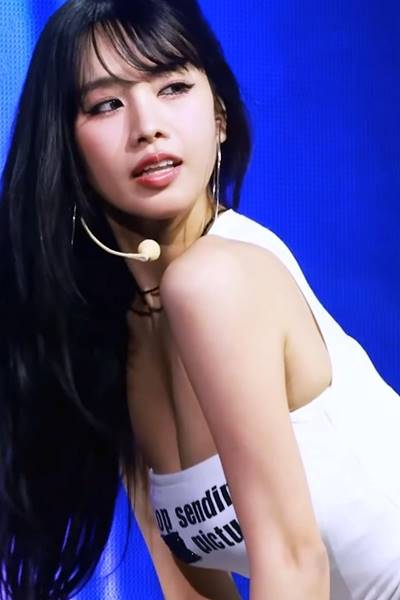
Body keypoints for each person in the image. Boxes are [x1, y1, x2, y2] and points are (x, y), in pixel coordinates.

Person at [1, 0, 400, 599]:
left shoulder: (216, 280)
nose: (147, 126)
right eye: (106, 104)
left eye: (173, 87)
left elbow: (295, 564)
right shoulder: (118, 340)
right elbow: (192, 592)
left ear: (219, 117)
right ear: (66, 149)